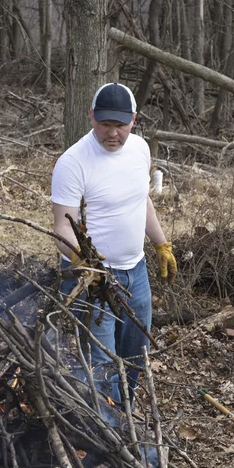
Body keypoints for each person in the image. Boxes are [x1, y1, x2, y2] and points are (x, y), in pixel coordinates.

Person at [51, 82, 177, 404]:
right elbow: (62, 229)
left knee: (135, 355)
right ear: (91, 116)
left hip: (135, 273)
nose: (112, 133)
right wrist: (85, 263)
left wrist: (161, 244)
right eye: (104, 124)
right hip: (92, 280)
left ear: (133, 120)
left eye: (120, 125)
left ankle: (126, 417)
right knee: (101, 364)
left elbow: (141, 199)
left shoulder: (140, 149)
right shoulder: (72, 162)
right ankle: (106, 434)